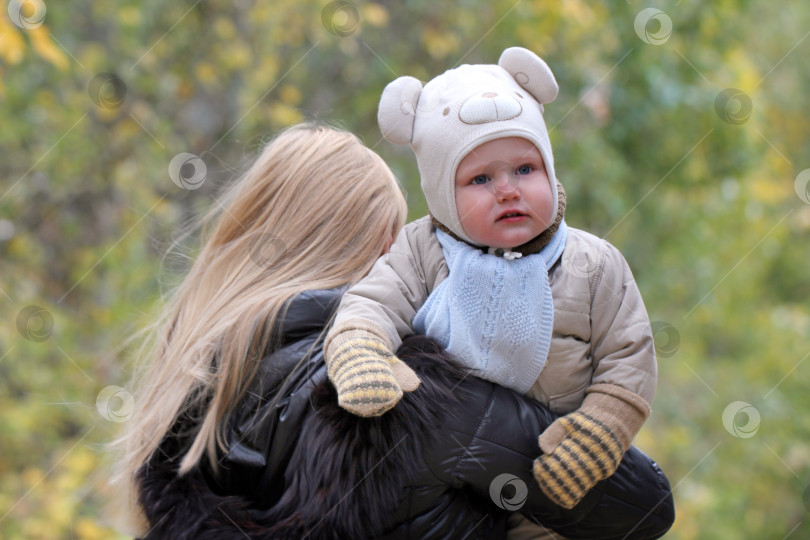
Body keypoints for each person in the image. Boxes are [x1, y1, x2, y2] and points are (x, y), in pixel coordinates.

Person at [111, 123, 673, 539]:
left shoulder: (186, 413)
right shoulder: (405, 393)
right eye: (396, 249)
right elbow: (643, 507)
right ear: (373, 252)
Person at [324, 47, 661, 511]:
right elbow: (374, 302)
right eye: (481, 179)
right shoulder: (422, 250)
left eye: (525, 169)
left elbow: (628, 355)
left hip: (554, 477)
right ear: (443, 194)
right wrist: (361, 349)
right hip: (439, 477)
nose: (508, 189)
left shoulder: (593, 263)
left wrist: (601, 431)